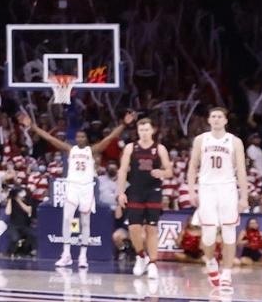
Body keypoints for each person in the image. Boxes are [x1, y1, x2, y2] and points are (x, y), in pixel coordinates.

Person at [25, 108, 126, 270]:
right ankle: (66, 254)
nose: (80, 138)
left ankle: (83, 256)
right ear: (75, 138)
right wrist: (34, 127)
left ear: (86, 139)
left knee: (85, 223)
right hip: (72, 187)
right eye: (78, 136)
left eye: (82, 136)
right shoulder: (69, 149)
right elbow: (50, 138)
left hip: (86, 189)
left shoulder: (91, 151)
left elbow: (110, 138)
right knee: (67, 220)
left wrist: (123, 124)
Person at [187, 107, 246, 290]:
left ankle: (227, 273)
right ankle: (211, 262)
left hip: (227, 188)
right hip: (206, 188)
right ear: (209, 120)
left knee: (229, 232)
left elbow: (241, 170)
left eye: (220, 116)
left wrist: (244, 196)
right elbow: (192, 166)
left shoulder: (235, 141)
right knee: (209, 233)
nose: (217, 119)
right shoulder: (201, 140)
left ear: (226, 120)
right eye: (213, 116)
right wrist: (191, 190)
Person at [115, 114, 171, 277]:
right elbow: (123, 170)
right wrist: (120, 193)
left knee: (152, 229)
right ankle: (141, 256)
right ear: (138, 131)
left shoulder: (160, 148)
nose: (144, 132)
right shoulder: (130, 148)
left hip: (153, 191)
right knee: (134, 227)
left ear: (152, 130)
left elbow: (169, 171)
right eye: (141, 130)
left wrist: (161, 172)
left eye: (147, 129)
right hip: (135, 191)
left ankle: (153, 263)